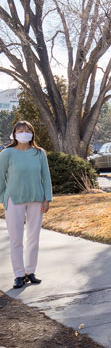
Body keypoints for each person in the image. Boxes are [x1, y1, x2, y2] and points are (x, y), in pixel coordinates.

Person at [0, 121, 52, 289]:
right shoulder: (7, 153)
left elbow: (46, 177)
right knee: (16, 239)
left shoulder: (39, 153)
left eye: (27, 129)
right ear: (14, 134)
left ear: (32, 133)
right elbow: (0, 177)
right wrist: (3, 199)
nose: (23, 132)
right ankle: (19, 274)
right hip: (13, 200)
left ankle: (30, 271)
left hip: (36, 199)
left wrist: (47, 198)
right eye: (20, 130)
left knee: (33, 238)